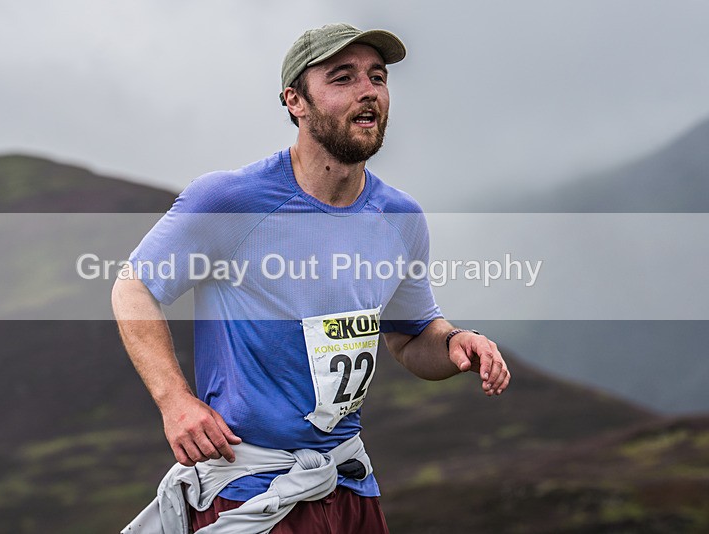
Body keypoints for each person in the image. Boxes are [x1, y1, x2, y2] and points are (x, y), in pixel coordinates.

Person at [113, 22, 510, 534]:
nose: (368, 91)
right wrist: (175, 402)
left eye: (377, 77)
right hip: (249, 492)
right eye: (343, 78)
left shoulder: (400, 217)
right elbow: (134, 287)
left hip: (349, 485)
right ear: (295, 101)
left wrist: (456, 343)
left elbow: (411, 337)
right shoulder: (230, 201)